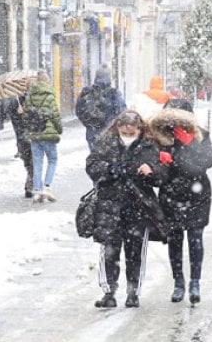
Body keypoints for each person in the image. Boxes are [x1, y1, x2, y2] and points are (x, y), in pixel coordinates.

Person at [86, 110, 169, 308]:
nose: (128, 132)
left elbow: (161, 175)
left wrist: (152, 171)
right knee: (109, 249)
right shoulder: (106, 142)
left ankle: (133, 293)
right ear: (118, 126)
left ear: (139, 128)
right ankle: (109, 292)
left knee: (136, 251)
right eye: (124, 129)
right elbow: (92, 165)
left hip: (138, 206)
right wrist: (111, 170)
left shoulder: (149, 145)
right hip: (110, 204)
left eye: (132, 130)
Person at [149, 99, 212, 305]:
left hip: (197, 195)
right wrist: (160, 163)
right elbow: (159, 172)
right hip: (171, 195)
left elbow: (204, 164)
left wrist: (189, 146)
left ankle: (195, 281)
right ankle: (179, 282)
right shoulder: (160, 137)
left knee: (195, 237)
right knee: (175, 239)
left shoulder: (200, 134)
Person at [22, 71, 62, 203]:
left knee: (37, 162)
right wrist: (59, 129)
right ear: (47, 81)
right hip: (48, 133)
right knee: (52, 159)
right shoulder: (50, 95)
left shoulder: (30, 96)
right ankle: (47, 186)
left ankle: (37, 191)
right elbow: (55, 115)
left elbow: (26, 117)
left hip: (34, 134)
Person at [75, 64, 126, 151]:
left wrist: (89, 124)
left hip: (92, 133)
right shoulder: (113, 93)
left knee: (95, 159)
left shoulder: (87, 91)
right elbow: (122, 111)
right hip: (109, 133)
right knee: (110, 159)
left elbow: (78, 110)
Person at [0, 95, 34, 198]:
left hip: (22, 139)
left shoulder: (14, 101)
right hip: (30, 137)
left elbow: (5, 114)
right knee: (32, 161)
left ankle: (31, 182)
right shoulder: (18, 102)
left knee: (29, 161)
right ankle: (31, 184)